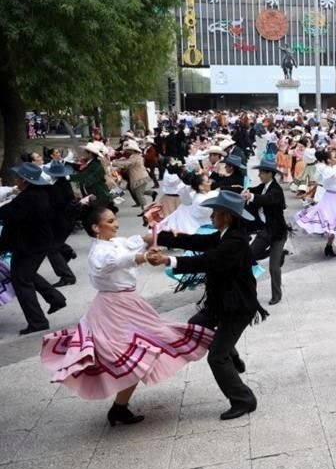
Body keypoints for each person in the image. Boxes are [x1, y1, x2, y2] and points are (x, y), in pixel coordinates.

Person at [40, 206, 213, 425]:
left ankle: (119, 408)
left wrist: (161, 230)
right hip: (114, 308)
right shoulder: (99, 253)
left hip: (126, 303)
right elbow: (117, 261)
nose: (116, 224)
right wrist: (143, 257)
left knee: (138, 353)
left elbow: (138, 240)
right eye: (110, 221)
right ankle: (214, 345)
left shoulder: (113, 242)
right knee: (137, 352)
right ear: (96, 228)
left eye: (115, 220)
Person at [149, 190, 269, 420]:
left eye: (215, 212)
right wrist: (161, 236)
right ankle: (232, 355)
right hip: (220, 302)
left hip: (237, 307)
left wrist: (169, 260)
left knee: (216, 356)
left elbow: (207, 261)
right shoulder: (224, 234)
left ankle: (243, 399)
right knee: (197, 324)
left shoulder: (235, 241)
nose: (211, 215)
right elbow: (197, 241)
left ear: (227, 216)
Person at [0, 163, 67, 334]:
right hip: (31, 244)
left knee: (22, 280)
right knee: (23, 274)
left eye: (18, 178)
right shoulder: (37, 194)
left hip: (31, 245)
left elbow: (9, 213)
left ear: (25, 181)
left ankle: (38, 322)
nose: (16, 181)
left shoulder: (29, 198)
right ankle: (55, 298)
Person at [243, 158, 288, 306]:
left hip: (278, 233)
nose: (260, 175)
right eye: (260, 172)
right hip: (266, 230)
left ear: (270, 174)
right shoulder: (263, 186)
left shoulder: (276, 190)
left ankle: (277, 295)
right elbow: (254, 191)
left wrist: (251, 196)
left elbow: (266, 199)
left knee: (274, 267)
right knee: (249, 256)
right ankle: (247, 292)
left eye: (262, 172)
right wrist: (244, 191)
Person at [295, 150, 336, 257]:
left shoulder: (330, 168)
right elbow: (333, 176)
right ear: (328, 160)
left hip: (335, 196)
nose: (335, 158)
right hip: (331, 197)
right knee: (334, 221)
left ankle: (329, 246)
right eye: (333, 157)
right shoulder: (326, 170)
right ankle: (329, 246)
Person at [44, 160, 81, 288]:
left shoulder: (56, 187)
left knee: (52, 248)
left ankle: (67, 276)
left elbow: (56, 205)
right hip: (65, 220)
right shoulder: (62, 183)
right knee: (54, 243)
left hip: (62, 221)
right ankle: (67, 251)